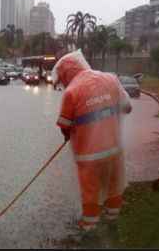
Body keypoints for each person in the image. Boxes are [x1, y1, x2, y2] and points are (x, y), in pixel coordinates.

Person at [52, 50, 132, 231]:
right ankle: (113, 217)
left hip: (89, 157)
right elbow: (127, 107)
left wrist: (68, 135)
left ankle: (89, 226)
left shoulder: (71, 92)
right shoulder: (110, 79)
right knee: (114, 184)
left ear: (66, 74)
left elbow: (64, 125)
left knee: (90, 190)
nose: (63, 83)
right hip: (114, 150)